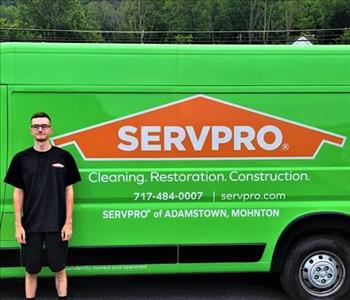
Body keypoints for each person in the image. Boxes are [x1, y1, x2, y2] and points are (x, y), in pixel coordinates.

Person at [4, 112, 81, 299]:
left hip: (57, 225)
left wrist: (68, 222)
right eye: (36, 126)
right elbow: (18, 192)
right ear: (31, 130)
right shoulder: (21, 159)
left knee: (60, 269)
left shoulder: (64, 157)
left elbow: (69, 190)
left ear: (51, 129)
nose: (40, 129)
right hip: (30, 226)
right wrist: (17, 225)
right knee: (31, 272)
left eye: (44, 126)